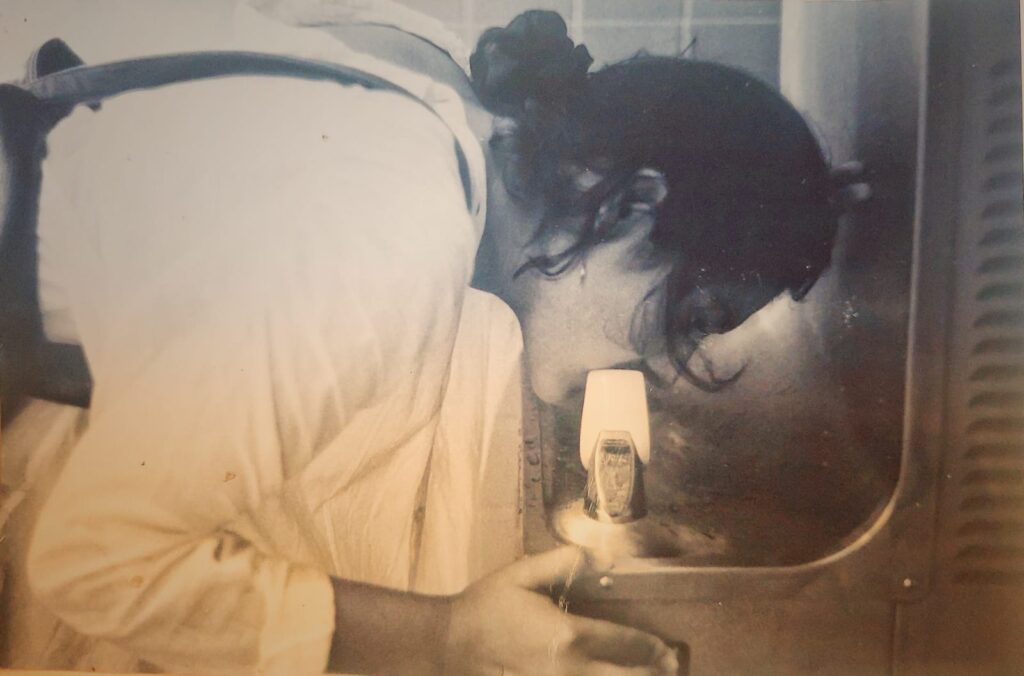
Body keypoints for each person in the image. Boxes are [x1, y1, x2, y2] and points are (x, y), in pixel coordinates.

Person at [19, 3, 846, 674]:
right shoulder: (393, 236)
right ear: (632, 206)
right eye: (693, 317)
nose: (665, 371)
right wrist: (445, 636)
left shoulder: (434, 96)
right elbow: (97, 561)